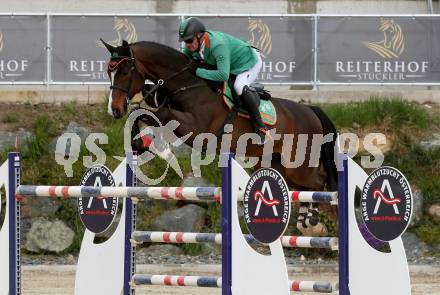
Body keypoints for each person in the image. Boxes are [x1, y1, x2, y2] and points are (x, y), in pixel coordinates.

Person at [178, 17, 271, 146]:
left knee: (238, 86)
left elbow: (223, 75)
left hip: (248, 63)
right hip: (231, 65)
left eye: (189, 40)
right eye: (184, 41)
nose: (187, 45)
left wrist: (198, 71)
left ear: (200, 36)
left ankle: (261, 128)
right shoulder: (192, 47)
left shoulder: (217, 45)